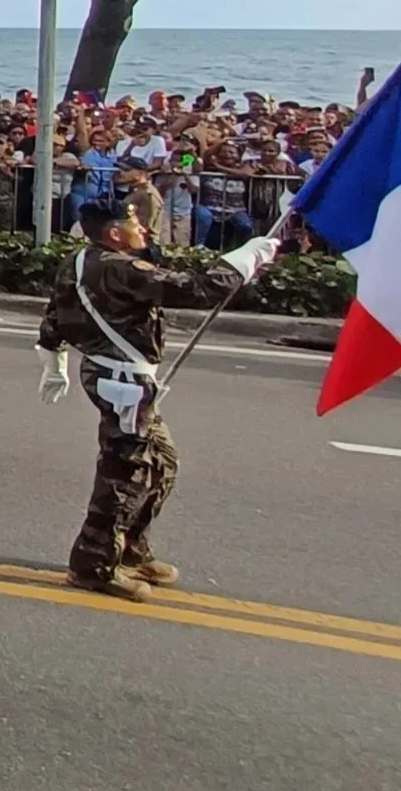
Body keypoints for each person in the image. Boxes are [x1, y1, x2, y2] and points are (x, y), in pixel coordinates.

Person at [35, 198, 280, 602]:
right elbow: (198, 290)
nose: (145, 231)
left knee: (160, 462)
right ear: (114, 233)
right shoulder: (119, 267)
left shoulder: (80, 260)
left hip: (118, 376)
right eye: (137, 225)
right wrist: (246, 257)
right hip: (122, 381)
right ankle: (94, 564)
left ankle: (130, 547)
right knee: (126, 472)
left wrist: (53, 357)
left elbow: (56, 314)